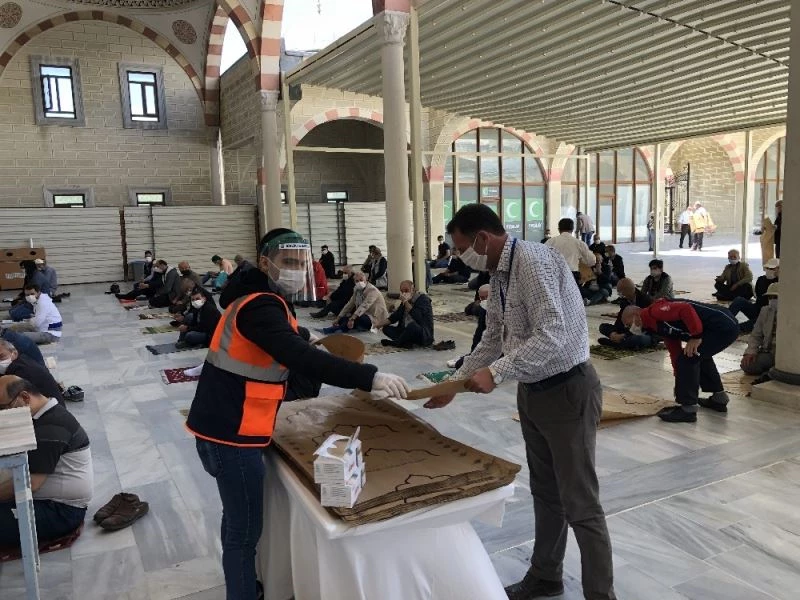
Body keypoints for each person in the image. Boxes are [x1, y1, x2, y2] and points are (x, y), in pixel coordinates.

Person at [185, 228, 408, 600]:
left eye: (302, 262)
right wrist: (370, 377)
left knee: (236, 519)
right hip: (232, 433)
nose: (296, 269)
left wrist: (302, 334)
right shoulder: (259, 305)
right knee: (243, 532)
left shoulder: (254, 299)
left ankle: (245, 582)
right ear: (265, 263)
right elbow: (298, 356)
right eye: (288, 261)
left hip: (228, 423)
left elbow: (280, 336)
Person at [425, 204, 616, 600]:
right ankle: (546, 575)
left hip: (567, 390)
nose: (460, 255)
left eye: (462, 247)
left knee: (580, 503)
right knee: (546, 493)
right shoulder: (500, 273)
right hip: (533, 392)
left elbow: (552, 333)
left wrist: (496, 372)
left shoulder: (533, 261)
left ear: (483, 238)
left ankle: (601, 594)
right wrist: (456, 382)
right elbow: (492, 337)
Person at [0, 376, 92, 547]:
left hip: (61, 511)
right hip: (48, 502)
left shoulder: (52, 427)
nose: (2, 414)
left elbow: (30, 484)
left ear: (25, 397)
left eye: (3, 408)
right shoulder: (44, 415)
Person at [622, 299, 738, 422]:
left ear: (636, 315)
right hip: (717, 328)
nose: (630, 329)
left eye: (628, 324)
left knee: (688, 357)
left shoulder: (655, 311)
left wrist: (696, 336)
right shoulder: (655, 326)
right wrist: (679, 380)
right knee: (695, 355)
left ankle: (688, 410)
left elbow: (685, 309)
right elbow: (674, 350)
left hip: (722, 325)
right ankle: (719, 399)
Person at [0, 339, 64, 404]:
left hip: (47, 408)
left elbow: (8, 397)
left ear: (14, 353)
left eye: (1, 357)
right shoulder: (21, 361)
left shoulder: (22, 372)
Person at [597, 278, 655, 350]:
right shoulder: (624, 300)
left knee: (637, 339)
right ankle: (621, 342)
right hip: (627, 329)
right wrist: (614, 334)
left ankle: (617, 344)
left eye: (620, 293)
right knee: (603, 327)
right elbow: (620, 319)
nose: (619, 295)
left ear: (627, 291)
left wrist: (624, 335)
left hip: (644, 331)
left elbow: (645, 326)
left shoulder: (646, 301)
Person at [740, 283, 779, 378]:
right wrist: (751, 351)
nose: (772, 300)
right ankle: (771, 371)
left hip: (787, 355)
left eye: (775, 297)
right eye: (770, 297)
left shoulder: (793, 313)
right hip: (769, 353)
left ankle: (772, 372)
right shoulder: (765, 311)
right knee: (747, 365)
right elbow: (756, 335)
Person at [379, 280, 434, 348]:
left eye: (406, 291)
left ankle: (397, 343)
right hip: (406, 331)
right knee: (386, 328)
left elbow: (418, 317)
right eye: (402, 291)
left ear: (412, 290)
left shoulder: (423, 299)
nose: (404, 293)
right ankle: (406, 342)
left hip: (422, 333)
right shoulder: (405, 301)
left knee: (412, 326)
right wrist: (378, 324)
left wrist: (406, 302)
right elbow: (395, 317)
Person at [447, 284, 490, 369]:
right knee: (460, 364)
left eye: (487, 297)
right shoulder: (483, 309)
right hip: (484, 350)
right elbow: (479, 334)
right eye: (482, 298)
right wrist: (473, 353)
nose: (485, 300)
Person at [730, 258, 778, 333]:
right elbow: (757, 295)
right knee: (739, 300)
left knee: (758, 322)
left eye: (772, 269)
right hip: (757, 309)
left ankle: (734, 329)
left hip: (768, 314)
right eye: (768, 268)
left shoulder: (781, 282)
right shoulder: (761, 279)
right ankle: (725, 319)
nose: (769, 270)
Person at [545, 217, 596, 283]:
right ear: (572, 229)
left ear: (559, 229)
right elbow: (591, 261)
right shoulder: (579, 243)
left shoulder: (550, 242)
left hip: (554, 275)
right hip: (573, 275)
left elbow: (543, 259)